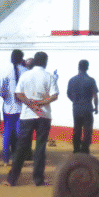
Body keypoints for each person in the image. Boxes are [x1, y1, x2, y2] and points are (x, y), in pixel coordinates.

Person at [5, 51, 58, 187]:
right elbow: (54, 96)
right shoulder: (49, 76)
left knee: (21, 147)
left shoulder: (25, 75)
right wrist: (40, 103)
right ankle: (38, 179)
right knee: (40, 148)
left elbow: (18, 94)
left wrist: (30, 104)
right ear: (45, 62)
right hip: (43, 115)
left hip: (27, 115)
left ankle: (12, 179)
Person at [66, 59, 99, 154]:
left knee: (77, 129)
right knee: (87, 130)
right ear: (87, 68)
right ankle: (85, 149)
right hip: (87, 107)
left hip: (76, 108)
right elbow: (95, 96)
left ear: (78, 67)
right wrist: (96, 107)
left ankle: (76, 149)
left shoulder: (72, 80)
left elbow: (68, 94)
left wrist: (75, 101)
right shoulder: (91, 80)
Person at [0, 49, 26, 165]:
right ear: (21, 59)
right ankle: (18, 158)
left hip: (8, 107)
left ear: (11, 59)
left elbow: (2, 92)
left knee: (7, 132)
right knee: (19, 134)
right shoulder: (26, 71)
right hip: (22, 108)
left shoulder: (6, 71)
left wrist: (7, 97)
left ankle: (6, 159)